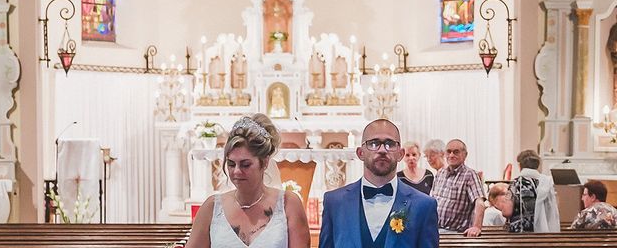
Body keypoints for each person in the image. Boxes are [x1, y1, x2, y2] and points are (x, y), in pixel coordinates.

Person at [185, 113, 310, 247]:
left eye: (245, 164)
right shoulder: (211, 208)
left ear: (265, 162)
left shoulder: (289, 205)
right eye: (231, 164)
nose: (237, 171)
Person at [319, 119, 439, 248]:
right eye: (374, 143)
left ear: (400, 154)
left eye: (390, 143)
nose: (382, 150)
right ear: (360, 153)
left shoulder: (424, 206)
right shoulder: (334, 202)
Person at [430, 139, 486, 237]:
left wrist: (476, 227)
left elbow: (480, 202)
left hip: (455, 234)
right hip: (434, 229)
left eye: (456, 152)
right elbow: (431, 201)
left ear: (465, 155)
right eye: (449, 152)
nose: (451, 155)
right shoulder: (440, 173)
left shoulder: (470, 175)